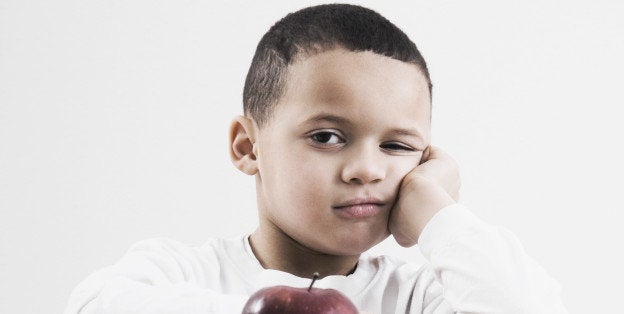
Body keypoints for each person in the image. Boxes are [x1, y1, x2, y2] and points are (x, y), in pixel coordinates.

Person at [64, 4, 567, 313]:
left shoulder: (420, 299)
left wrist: (439, 215)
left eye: (397, 146)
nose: (367, 169)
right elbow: (91, 306)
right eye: (327, 137)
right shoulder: (183, 274)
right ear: (247, 146)